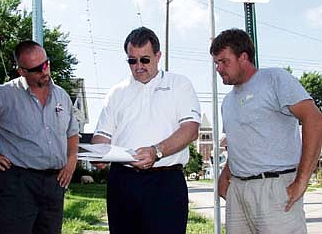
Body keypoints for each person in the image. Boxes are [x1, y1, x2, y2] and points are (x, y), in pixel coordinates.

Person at [210, 28, 322, 234]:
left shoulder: (274, 79)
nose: (219, 68)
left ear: (243, 57)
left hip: (275, 189)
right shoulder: (227, 102)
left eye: (224, 61)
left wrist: (302, 179)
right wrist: (225, 175)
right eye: (216, 63)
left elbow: (314, 119)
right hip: (238, 192)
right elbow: (240, 143)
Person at [91, 26, 201, 234]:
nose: (138, 66)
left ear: (158, 56)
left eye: (145, 59)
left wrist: (156, 151)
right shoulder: (116, 92)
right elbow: (101, 136)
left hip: (166, 182)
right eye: (132, 60)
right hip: (122, 182)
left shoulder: (179, 84)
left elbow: (191, 129)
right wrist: (97, 154)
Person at [0, 40, 79, 234]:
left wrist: (71, 161)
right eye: (36, 69)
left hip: (54, 184)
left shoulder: (61, 96)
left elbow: (72, 132)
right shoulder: (4, 95)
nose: (44, 71)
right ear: (21, 71)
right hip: (17, 184)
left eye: (46, 64)